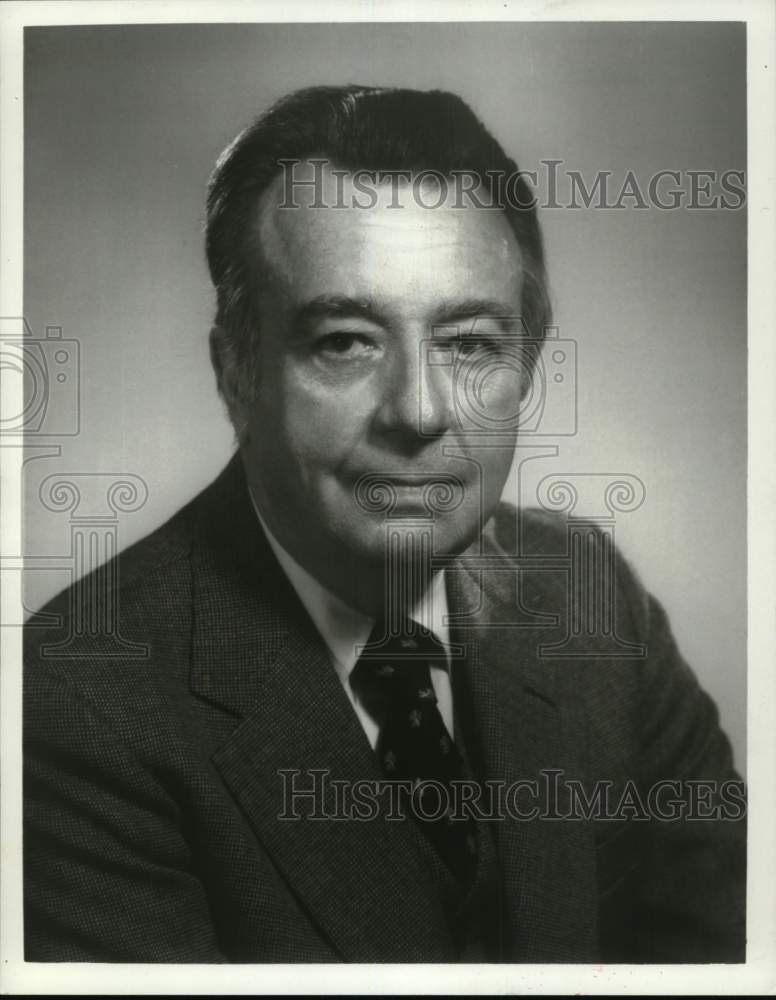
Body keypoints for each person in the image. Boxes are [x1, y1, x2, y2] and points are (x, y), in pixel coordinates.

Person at [24, 85, 746, 963]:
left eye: (471, 343)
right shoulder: (71, 708)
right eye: (345, 341)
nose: (417, 410)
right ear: (237, 373)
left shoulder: (591, 598)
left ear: (528, 372)